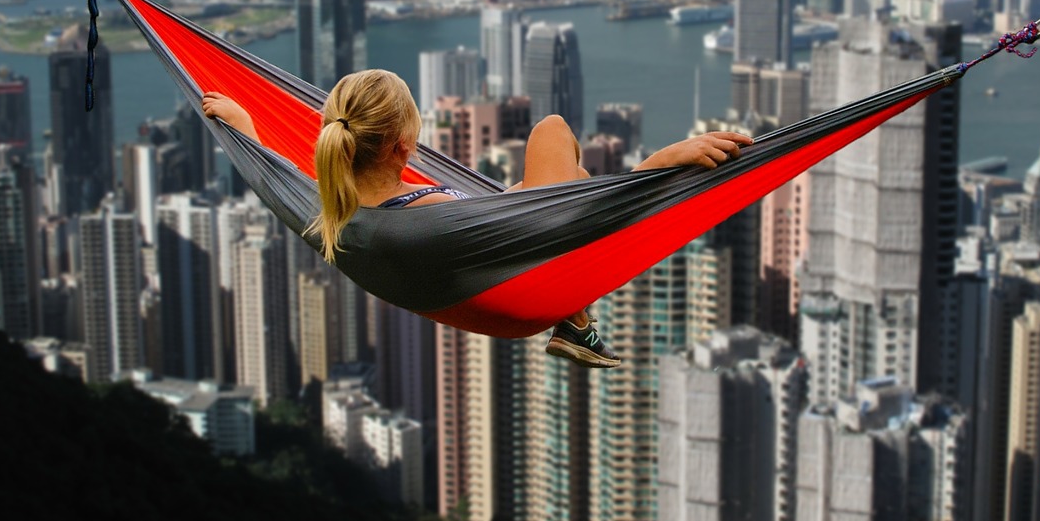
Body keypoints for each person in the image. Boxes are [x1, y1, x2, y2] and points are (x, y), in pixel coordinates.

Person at [202, 68, 751, 370]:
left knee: (561, 175)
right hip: (518, 296)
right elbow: (570, 225)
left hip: (477, 273)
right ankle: (577, 320)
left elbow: (279, 179)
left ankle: (580, 323)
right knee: (552, 132)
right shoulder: (428, 217)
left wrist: (245, 128)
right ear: (403, 145)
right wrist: (658, 166)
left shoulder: (329, 207)